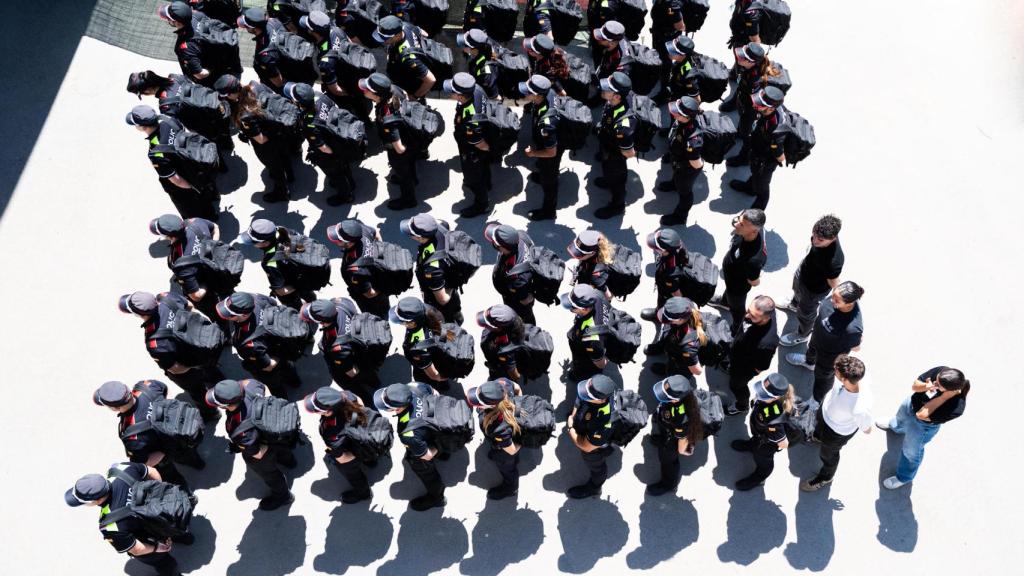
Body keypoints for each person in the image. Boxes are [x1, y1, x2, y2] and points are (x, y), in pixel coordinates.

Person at [118, 291, 223, 422]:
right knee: (209, 366)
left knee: (197, 390)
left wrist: (193, 367)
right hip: (204, 345)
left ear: (139, 314)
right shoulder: (167, 298)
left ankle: (211, 413)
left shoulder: (155, 342)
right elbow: (190, 306)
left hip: (188, 363)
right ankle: (218, 380)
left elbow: (175, 368)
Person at [65, 464, 183, 576]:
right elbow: (153, 471)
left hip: (150, 535)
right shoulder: (122, 468)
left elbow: (136, 549)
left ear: (97, 500)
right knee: (178, 528)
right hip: (168, 512)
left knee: (164, 563)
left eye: (84, 502)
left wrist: (157, 548)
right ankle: (186, 538)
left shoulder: (109, 524)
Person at [93, 380, 204, 489]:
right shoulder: (146, 386)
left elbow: (144, 462)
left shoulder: (131, 434)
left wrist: (164, 453)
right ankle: (198, 463)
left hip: (166, 454)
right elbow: (164, 388)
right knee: (188, 454)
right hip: (183, 432)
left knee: (172, 478)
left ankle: (185, 494)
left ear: (114, 408)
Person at [207, 379, 297, 510]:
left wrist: (269, 447)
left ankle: (283, 496)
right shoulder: (251, 385)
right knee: (281, 448)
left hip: (261, 445)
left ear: (224, 406)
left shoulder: (239, 429)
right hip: (278, 432)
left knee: (269, 474)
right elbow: (263, 385)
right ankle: (290, 461)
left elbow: (257, 453)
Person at [876, 366, 970, 489]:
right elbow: (914, 386)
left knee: (911, 453)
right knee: (900, 419)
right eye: (936, 379)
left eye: (939, 385)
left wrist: (943, 397)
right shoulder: (942, 372)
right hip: (910, 405)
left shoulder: (956, 407)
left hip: (922, 427)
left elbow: (922, 415)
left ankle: (903, 477)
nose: (935, 382)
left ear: (949, 390)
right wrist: (928, 387)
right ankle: (896, 427)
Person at [126, 105, 220, 221]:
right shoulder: (169, 120)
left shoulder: (156, 153)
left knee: (194, 210)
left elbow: (175, 179)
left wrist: (193, 188)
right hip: (196, 164)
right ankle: (212, 204)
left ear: (142, 127)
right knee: (205, 193)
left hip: (186, 182)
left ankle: (209, 223)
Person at [800, 354, 873, 491]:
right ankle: (817, 437)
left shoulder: (859, 408)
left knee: (828, 455)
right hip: (825, 413)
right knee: (818, 429)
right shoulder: (855, 375)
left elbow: (866, 428)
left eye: (836, 371)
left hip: (836, 432)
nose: (834, 370)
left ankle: (826, 477)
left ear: (845, 380)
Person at [126, 70, 234, 160]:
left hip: (202, 125)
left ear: (147, 90)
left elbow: (177, 126)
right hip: (214, 105)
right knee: (223, 132)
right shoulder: (174, 77)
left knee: (213, 143)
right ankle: (228, 144)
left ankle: (221, 161)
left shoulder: (165, 105)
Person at [786, 281, 865, 402]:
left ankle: (816, 401)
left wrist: (857, 339)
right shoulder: (836, 297)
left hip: (829, 357)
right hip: (816, 338)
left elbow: (856, 347)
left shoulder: (853, 328)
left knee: (822, 378)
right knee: (811, 351)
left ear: (849, 303)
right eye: (833, 296)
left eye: (837, 300)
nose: (832, 300)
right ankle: (809, 362)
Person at [374, 382, 448, 510]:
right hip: (439, 426)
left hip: (424, 440)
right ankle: (445, 453)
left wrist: (440, 445)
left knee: (427, 472)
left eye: (387, 407)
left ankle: (437, 498)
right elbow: (436, 394)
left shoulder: (408, 433)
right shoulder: (415, 386)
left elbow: (427, 456)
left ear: (397, 409)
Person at [216, 292, 303, 398]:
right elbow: (273, 302)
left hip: (272, 357)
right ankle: (295, 382)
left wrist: (281, 357)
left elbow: (268, 366)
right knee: (289, 368)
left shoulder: (246, 341)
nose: (227, 317)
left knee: (274, 384)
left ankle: (282, 401)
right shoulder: (253, 298)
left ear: (244, 315)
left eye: (230, 315)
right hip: (282, 343)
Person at [282, 82, 356, 205]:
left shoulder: (309, 124)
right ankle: (350, 183)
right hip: (339, 137)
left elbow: (323, 148)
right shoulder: (321, 97)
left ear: (299, 103)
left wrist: (334, 156)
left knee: (335, 174)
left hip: (330, 151)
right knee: (343, 167)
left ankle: (346, 196)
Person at [779, 215, 845, 346]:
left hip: (813, 290)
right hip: (803, 273)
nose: (814, 241)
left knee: (806, 314)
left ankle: (803, 334)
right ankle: (794, 304)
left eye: (820, 239)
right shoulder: (820, 236)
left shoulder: (834, 261)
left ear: (833, 238)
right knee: (796, 291)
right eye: (813, 235)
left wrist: (839, 298)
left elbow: (834, 282)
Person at [358, 72, 421, 210]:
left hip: (401, 148)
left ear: (376, 94)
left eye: (366, 89)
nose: (363, 90)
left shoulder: (388, 115)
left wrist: (398, 154)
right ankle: (413, 179)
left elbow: (399, 148)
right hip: (410, 138)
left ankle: (409, 200)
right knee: (409, 166)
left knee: (403, 171)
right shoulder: (393, 89)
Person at [300, 298, 382, 404]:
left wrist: (353, 376)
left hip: (351, 357)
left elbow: (350, 371)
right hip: (359, 344)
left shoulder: (336, 345)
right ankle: (374, 382)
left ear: (323, 323)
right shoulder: (341, 303)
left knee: (348, 381)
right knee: (368, 372)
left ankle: (367, 400)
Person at [304, 386, 374, 503]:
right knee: (367, 453)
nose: (314, 412)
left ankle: (363, 493)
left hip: (352, 448)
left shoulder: (331, 431)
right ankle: (371, 460)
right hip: (366, 436)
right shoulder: (346, 395)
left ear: (328, 412)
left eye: (316, 409)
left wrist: (355, 458)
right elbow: (360, 402)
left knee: (352, 473)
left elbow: (343, 458)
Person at [149, 214, 223, 323]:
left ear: (171, 237)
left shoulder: (180, 263)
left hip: (203, 285)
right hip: (213, 265)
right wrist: (213, 247)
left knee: (214, 315)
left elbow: (196, 296)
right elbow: (215, 227)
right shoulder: (196, 222)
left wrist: (208, 282)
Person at [232, 81, 296, 202]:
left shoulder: (245, 115)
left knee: (275, 168)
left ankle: (282, 192)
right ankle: (290, 175)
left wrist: (248, 134)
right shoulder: (256, 85)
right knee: (284, 156)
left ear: (232, 94)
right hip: (281, 132)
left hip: (269, 145)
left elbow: (261, 140)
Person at [237, 218, 319, 310]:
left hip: (296, 283)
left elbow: (282, 290)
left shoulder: (270, 261)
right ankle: (313, 304)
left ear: (265, 243)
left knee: (296, 308)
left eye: (253, 242)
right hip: (307, 274)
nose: (253, 244)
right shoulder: (283, 231)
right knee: (309, 296)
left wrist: (276, 292)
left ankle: (306, 316)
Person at [728, 86, 787, 210]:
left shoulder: (775, 130)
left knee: (762, 188)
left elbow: (780, 157)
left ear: (771, 108)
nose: (756, 105)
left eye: (760, 104)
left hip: (765, 162)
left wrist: (766, 163)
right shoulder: (770, 111)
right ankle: (750, 188)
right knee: (755, 176)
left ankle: (757, 212)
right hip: (757, 152)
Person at [732, 373, 793, 491]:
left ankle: (760, 477)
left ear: (775, 397)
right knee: (756, 442)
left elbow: (784, 443)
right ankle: (752, 445)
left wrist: (767, 440)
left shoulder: (775, 417)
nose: (760, 394)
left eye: (764, 394)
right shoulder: (765, 398)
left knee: (763, 460)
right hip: (758, 435)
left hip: (765, 445)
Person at [401, 213, 464, 324]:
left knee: (449, 333)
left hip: (443, 309)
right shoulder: (440, 226)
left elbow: (443, 299)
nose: (410, 235)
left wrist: (451, 286)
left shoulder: (432, 268)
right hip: (446, 280)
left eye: (411, 234)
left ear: (420, 238)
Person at [711, 209, 767, 334]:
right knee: (729, 295)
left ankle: (737, 328)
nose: (735, 224)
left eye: (741, 224)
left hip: (737, 288)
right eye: (739, 219)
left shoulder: (754, 259)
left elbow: (754, 282)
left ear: (754, 231)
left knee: (737, 309)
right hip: (731, 278)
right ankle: (725, 302)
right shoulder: (745, 233)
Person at [647, 375, 705, 495]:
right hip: (667, 427)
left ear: (675, 399)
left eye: (665, 396)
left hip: (673, 439)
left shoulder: (681, 418)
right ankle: (661, 440)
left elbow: (682, 440)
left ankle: (669, 484)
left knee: (668, 461)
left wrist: (682, 450)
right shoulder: (680, 397)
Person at [159, 1, 241, 87]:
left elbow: (200, 74)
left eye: (169, 18)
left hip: (218, 80)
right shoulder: (197, 15)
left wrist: (212, 71)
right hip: (230, 61)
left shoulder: (186, 46)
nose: (168, 20)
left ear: (177, 22)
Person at [445, 72, 493, 218]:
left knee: (473, 178)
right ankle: (487, 184)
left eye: (452, 92)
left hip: (472, 150)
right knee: (484, 166)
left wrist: (484, 151)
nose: (450, 94)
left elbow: (480, 144)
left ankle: (482, 204)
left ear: (460, 96)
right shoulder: (476, 89)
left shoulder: (471, 118)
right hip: (480, 142)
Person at [467, 379, 524, 499]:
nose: (476, 404)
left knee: (508, 468)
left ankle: (511, 488)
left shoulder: (498, 428)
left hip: (505, 450)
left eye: (479, 402)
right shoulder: (502, 384)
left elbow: (512, 450)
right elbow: (518, 388)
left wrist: (520, 442)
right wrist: (518, 407)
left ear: (492, 405)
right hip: (506, 438)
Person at [725, 295, 779, 415]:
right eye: (749, 310)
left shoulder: (766, 343)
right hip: (737, 353)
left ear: (766, 319)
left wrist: (743, 373)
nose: (747, 316)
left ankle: (742, 405)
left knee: (736, 386)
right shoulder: (760, 306)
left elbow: (761, 366)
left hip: (743, 368)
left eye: (753, 316)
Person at [519, 75, 563, 222]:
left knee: (549, 181)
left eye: (528, 92)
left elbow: (551, 152)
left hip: (551, 148)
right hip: (552, 139)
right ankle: (547, 176)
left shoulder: (547, 123)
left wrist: (533, 153)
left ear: (537, 95)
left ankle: (549, 211)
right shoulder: (548, 93)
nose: (525, 93)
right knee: (546, 171)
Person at [723, 43, 776, 165]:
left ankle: (744, 158)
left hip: (751, 111)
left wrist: (746, 111)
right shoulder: (747, 69)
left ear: (751, 62)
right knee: (743, 125)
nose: (739, 58)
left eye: (743, 57)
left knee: (749, 136)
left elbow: (755, 103)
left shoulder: (754, 80)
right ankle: (740, 132)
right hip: (744, 104)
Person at [567, 374, 618, 498]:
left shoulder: (602, 423)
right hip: (594, 428)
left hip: (595, 444)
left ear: (600, 400)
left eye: (588, 395)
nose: (584, 394)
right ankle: (608, 448)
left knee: (597, 467)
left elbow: (586, 447)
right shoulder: (601, 390)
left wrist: (570, 428)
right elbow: (580, 399)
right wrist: (574, 415)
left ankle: (594, 488)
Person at [327, 218, 388, 318]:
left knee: (377, 318)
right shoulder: (360, 230)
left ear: (350, 243)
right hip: (375, 275)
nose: (335, 241)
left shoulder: (356, 270)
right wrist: (380, 251)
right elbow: (376, 233)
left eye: (338, 240)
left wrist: (383, 291)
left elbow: (369, 293)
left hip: (372, 300)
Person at [657, 96, 704, 226]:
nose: (673, 113)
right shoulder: (682, 122)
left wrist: (685, 173)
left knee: (685, 192)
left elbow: (696, 164)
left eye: (677, 112)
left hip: (687, 169)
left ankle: (680, 216)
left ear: (687, 117)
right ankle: (674, 184)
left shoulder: (693, 139)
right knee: (677, 178)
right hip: (678, 161)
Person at [594, 71, 635, 219]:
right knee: (608, 173)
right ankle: (608, 181)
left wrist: (613, 155)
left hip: (615, 158)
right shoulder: (614, 101)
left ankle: (617, 206)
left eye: (608, 89)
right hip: (608, 147)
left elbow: (629, 153)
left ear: (617, 96)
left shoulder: (623, 127)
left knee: (617, 181)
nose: (603, 90)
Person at [642, 228, 688, 355]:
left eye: (656, 247)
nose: (654, 249)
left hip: (671, 298)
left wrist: (677, 311)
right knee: (661, 303)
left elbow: (677, 296)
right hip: (665, 292)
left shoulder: (671, 272)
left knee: (669, 323)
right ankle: (658, 313)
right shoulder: (676, 245)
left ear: (664, 250)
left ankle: (662, 344)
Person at [389, 297, 452, 390]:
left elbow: (433, 375)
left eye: (401, 321)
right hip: (439, 353)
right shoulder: (427, 310)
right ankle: (445, 385)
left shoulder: (418, 345)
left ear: (412, 323)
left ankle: (440, 388)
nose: (401, 323)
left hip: (428, 362)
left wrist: (441, 377)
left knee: (426, 380)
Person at [484, 222, 536, 324]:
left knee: (522, 322)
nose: (493, 244)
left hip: (516, 303)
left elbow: (525, 300)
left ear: (504, 248)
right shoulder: (521, 235)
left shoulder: (516, 276)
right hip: (516, 289)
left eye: (495, 243)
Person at [375, 16, 437, 100]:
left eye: (385, 38)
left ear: (397, 36)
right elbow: (424, 33)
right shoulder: (405, 26)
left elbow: (431, 80)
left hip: (406, 88)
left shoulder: (409, 58)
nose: (383, 41)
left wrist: (414, 96)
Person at [562, 284, 610, 380]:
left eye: (573, 307)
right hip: (592, 337)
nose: (571, 309)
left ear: (585, 309)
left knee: (583, 372)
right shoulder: (597, 294)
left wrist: (607, 356)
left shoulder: (591, 338)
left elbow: (600, 364)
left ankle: (580, 376)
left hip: (587, 359)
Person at [650, 296, 705, 378]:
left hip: (681, 363)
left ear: (680, 320)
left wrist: (690, 360)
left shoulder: (688, 346)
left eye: (669, 319)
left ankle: (669, 371)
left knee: (675, 369)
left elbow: (697, 371)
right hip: (676, 341)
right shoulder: (689, 306)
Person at [650, 0, 687, 103]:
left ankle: (665, 92)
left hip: (667, 40)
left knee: (666, 63)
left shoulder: (672, 6)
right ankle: (660, 74)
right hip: (659, 35)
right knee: (659, 59)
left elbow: (680, 26)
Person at [477, 305, 526, 382]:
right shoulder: (514, 321)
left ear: (499, 328)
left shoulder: (506, 350)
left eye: (487, 325)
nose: (485, 327)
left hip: (500, 369)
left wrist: (516, 379)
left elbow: (514, 374)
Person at [567, 229, 613, 298]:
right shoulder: (591, 256)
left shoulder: (596, 274)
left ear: (592, 253)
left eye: (580, 255)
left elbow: (607, 295)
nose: (576, 257)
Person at [457, 29, 500, 100]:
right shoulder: (482, 46)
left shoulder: (486, 71)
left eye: (465, 45)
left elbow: (496, 97)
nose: (462, 47)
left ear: (474, 49)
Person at [592, 22, 631, 94]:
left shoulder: (623, 65)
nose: (598, 40)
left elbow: (614, 87)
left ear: (612, 43)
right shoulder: (617, 37)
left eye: (602, 39)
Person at [661, 35, 700, 105]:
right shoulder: (684, 56)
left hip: (683, 91)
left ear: (683, 55)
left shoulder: (690, 76)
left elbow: (696, 98)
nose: (669, 53)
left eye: (673, 52)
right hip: (677, 82)